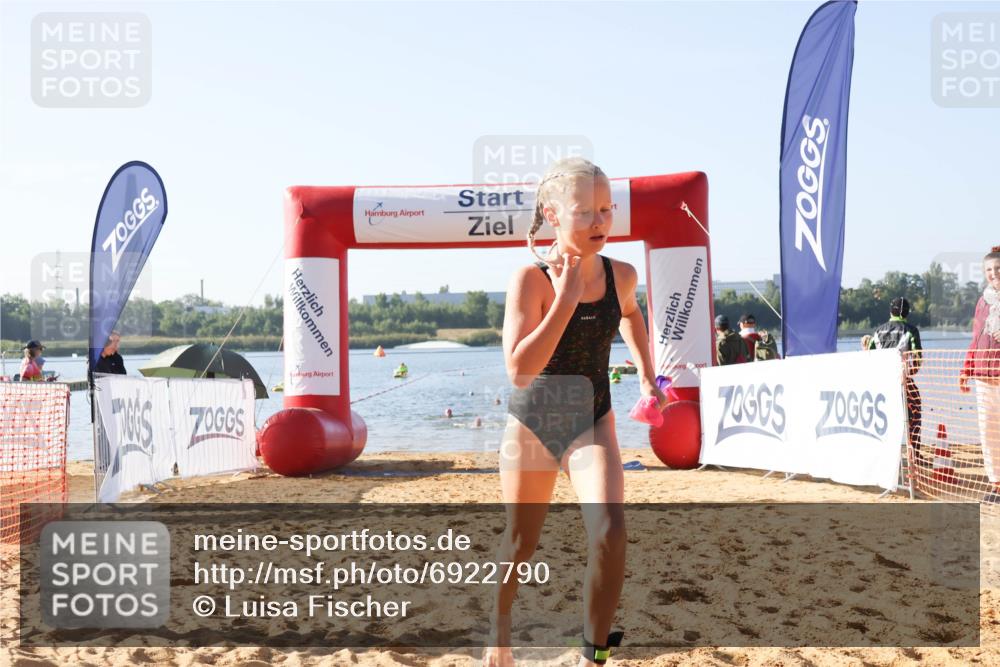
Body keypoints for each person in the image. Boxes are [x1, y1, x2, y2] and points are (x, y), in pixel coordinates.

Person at [486, 158, 667, 667]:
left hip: (592, 418)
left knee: (609, 528)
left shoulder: (622, 275)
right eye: (585, 211)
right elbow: (519, 369)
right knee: (521, 542)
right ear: (552, 213)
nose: (599, 223)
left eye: (607, 210)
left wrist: (648, 373)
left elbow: (631, 314)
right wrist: (564, 300)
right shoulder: (532, 279)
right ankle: (498, 633)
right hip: (534, 423)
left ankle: (594, 653)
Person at [959, 245, 1000, 502]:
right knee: (988, 434)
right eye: (988, 270)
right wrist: (966, 370)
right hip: (984, 378)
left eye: (997, 268)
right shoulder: (983, 301)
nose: (993, 273)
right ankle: (996, 484)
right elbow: (976, 338)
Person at [868, 297, 923, 465]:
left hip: (882, 383)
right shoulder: (911, 330)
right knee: (915, 412)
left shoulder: (877, 331)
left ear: (890, 311)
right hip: (902, 382)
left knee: (886, 417)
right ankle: (915, 454)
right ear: (907, 313)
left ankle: (885, 454)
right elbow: (918, 357)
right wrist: (911, 371)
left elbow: (869, 356)